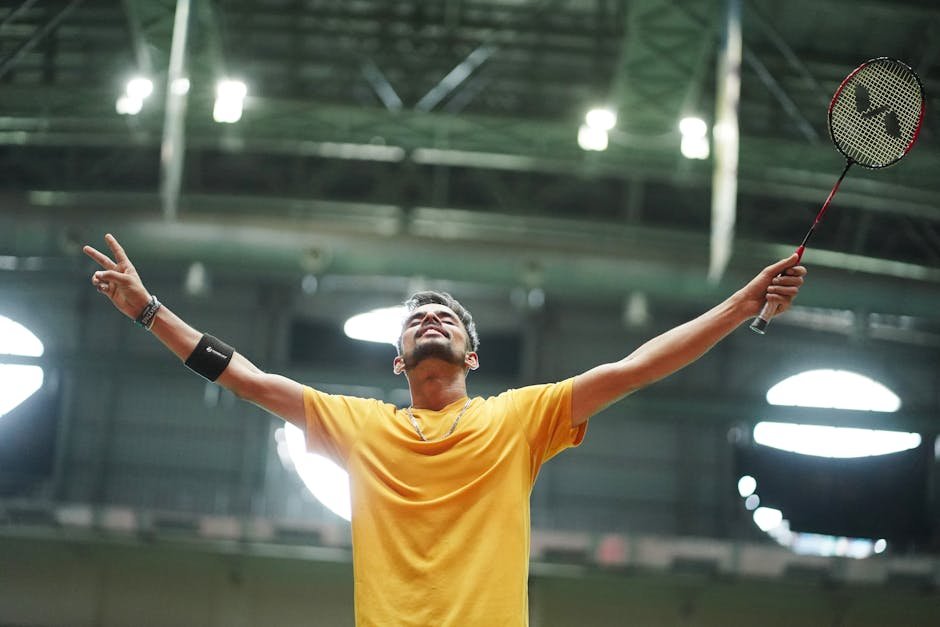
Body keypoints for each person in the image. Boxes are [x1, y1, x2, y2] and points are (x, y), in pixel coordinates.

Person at [84, 233, 806, 627]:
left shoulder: (520, 417)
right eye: (416, 322)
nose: (431, 321)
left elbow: (638, 366)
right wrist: (151, 311)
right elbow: (244, 376)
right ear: (398, 359)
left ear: (472, 354)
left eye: (447, 319)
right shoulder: (358, 425)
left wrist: (742, 304)